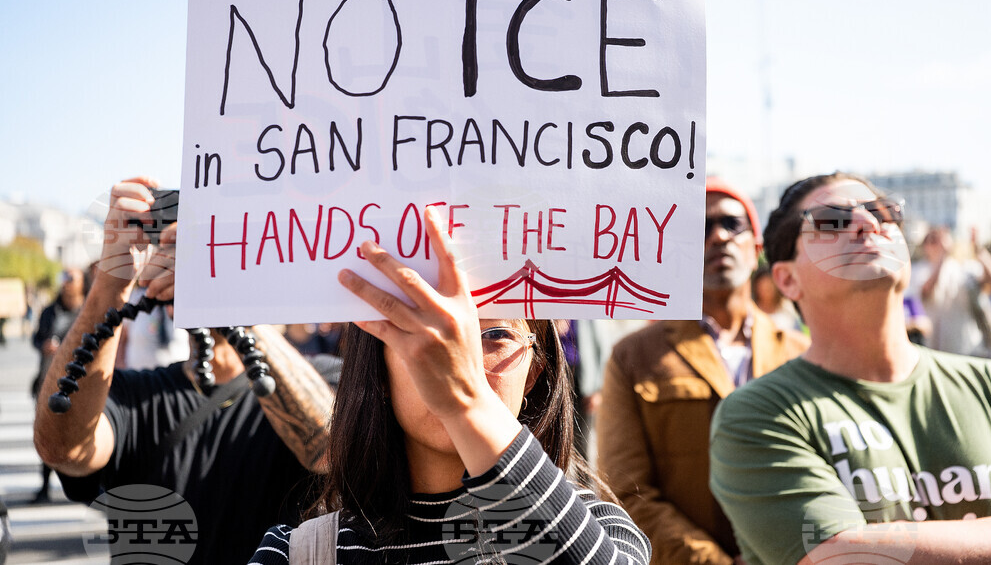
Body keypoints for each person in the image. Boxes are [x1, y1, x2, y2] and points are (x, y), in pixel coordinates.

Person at [250, 206, 652, 564]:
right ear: (379, 369)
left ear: (534, 373)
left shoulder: (601, 531)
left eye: (495, 334)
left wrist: (466, 402)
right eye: (428, 334)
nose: (463, 360)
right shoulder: (301, 553)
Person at [33, 177, 339, 565]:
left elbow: (329, 451)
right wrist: (112, 282)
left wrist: (227, 295)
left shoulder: (324, 378)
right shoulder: (133, 397)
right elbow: (61, 448)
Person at [709, 173, 991, 565]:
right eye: (832, 220)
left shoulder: (990, 385)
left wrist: (876, 542)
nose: (868, 223)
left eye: (885, 213)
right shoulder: (755, 415)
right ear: (787, 279)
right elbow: (844, 557)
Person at [597, 177, 808, 565]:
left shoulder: (802, 353)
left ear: (756, 246)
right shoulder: (634, 357)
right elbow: (623, 493)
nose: (718, 238)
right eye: (700, 228)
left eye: (731, 225)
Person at [30, 268, 85, 503]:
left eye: (71, 279)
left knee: (78, 435)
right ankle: (44, 486)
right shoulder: (50, 310)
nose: (67, 284)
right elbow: (36, 337)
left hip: (79, 385)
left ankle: (81, 486)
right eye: (63, 279)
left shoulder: (87, 310)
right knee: (47, 435)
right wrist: (43, 344)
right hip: (47, 381)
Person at [910, 226, 991, 357]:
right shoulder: (919, 270)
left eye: (941, 238)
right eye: (932, 239)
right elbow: (926, 291)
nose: (938, 243)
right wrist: (942, 256)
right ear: (924, 247)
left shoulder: (964, 267)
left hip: (969, 347)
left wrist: (979, 249)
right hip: (936, 350)